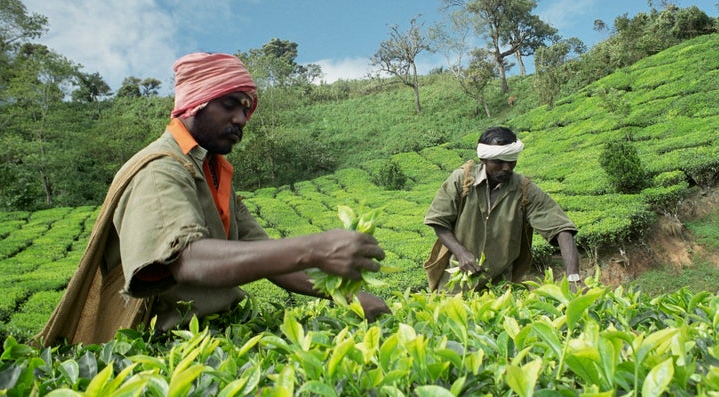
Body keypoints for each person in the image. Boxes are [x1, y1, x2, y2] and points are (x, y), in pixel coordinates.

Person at [37, 52, 390, 345]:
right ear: (195, 104)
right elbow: (186, 259)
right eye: (230, 105)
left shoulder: (213, 171)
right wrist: (316, 248)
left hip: (221, 331)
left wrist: (348, 297)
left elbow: (271, 259)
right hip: (167, 345)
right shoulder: (160, 169)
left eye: (246, 109)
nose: (241, 119)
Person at [424, 126, 582, 292]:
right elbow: (438, 221)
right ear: (484, 160)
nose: (506, 167)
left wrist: (573, 277)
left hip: (499, 287)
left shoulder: (525, 190)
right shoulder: (462, 180)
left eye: (511, 161)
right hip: (455, 287)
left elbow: (561, 229)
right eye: (499, 162)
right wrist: (461, 253)